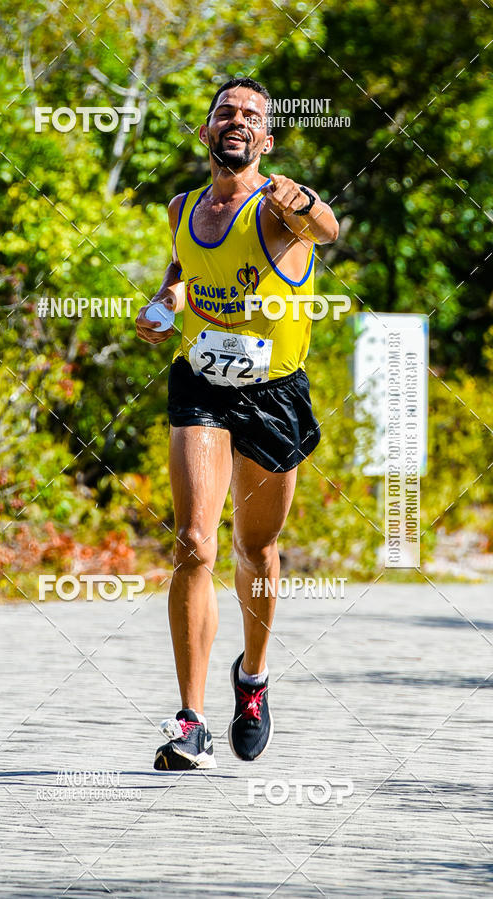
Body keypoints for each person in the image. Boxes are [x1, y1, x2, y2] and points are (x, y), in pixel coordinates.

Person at [135, 77, 339, 770]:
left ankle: (251, 679)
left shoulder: (283, 209)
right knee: (194, 542)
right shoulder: (181, 207)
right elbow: (183, 268)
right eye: (226, 111)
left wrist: (304, 201)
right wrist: (165, 303)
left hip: (275, 393)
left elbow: (329, 228)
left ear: (267, 140)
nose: (238, 120)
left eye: (253, 115)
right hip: (202, 383)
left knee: (258, 549)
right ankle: (190, 721)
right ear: (206, 131)